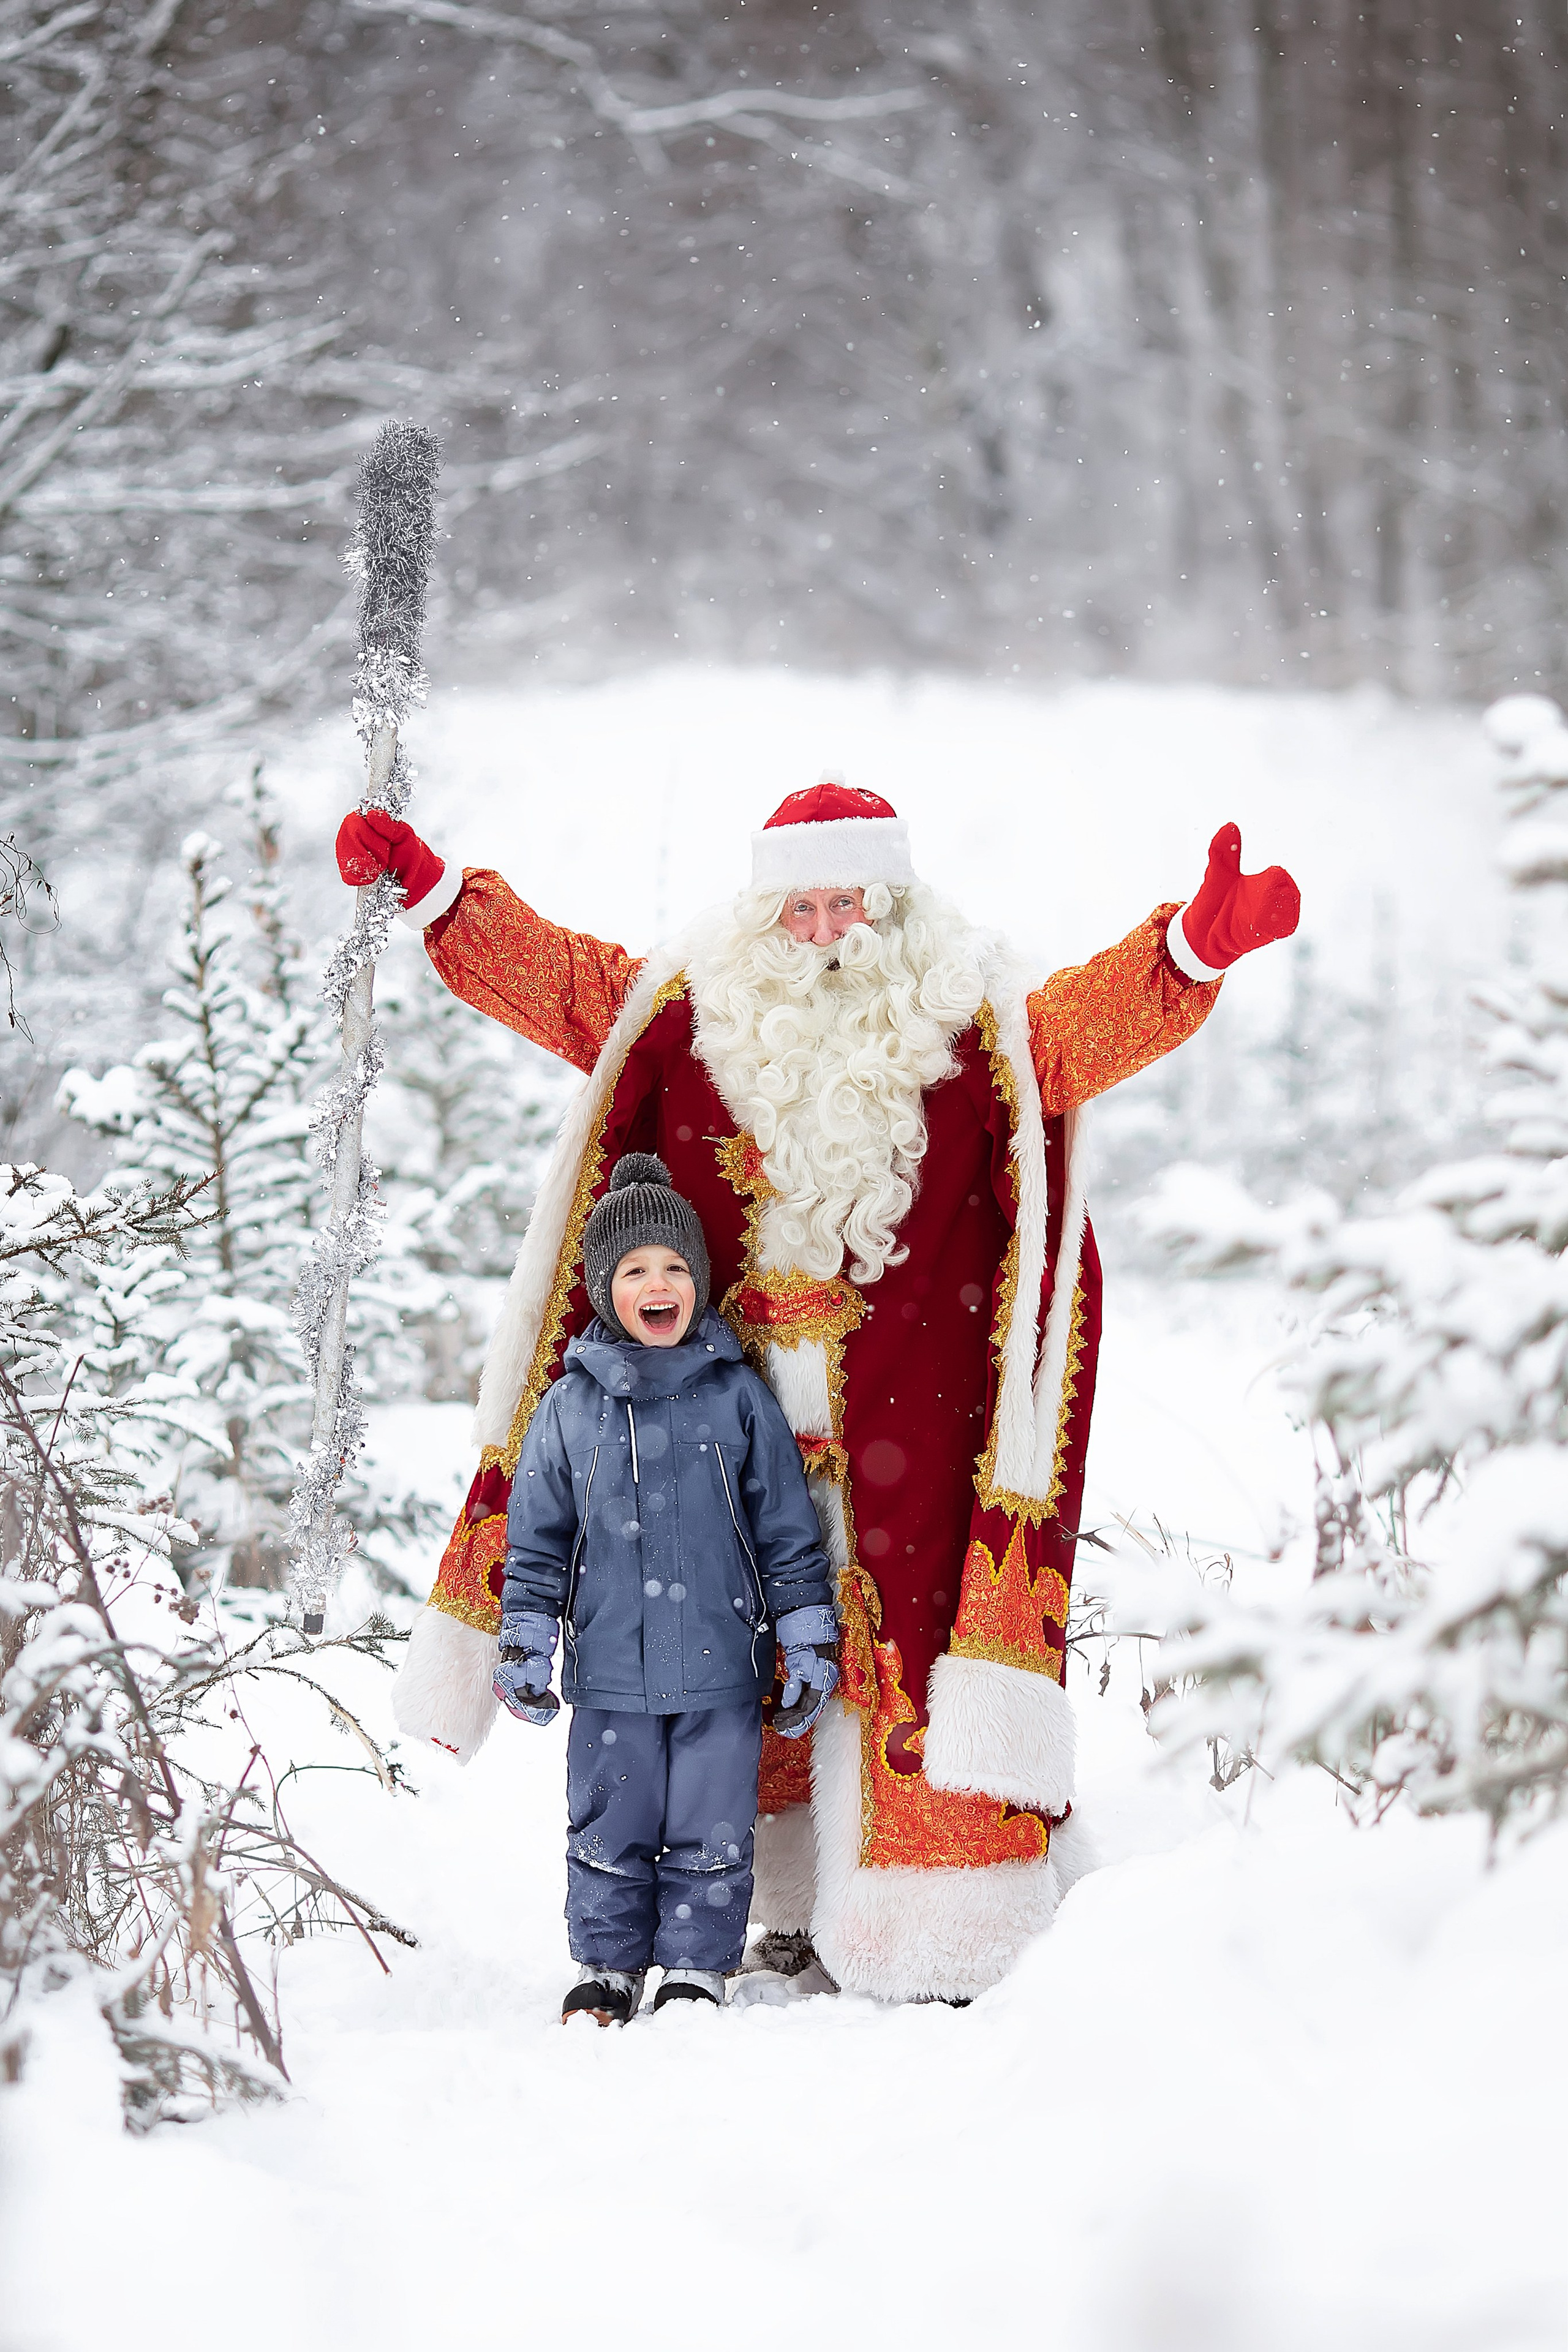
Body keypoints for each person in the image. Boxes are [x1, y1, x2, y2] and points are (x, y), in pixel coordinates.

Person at [368, 775, 1300, 2002]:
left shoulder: (975, 1020)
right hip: (726, 1411)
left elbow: (1082, 1030)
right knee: (735, 1658)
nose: (822, 933)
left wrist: (1187, 946)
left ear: (891, 903)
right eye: (798, 909)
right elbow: (567, 985)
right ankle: (784, 1912)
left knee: (908, 1656)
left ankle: (943, 1934)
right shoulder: (688, 1010)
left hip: (921, 1423)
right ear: (763, 917)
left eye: (845, 905)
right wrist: (441, 897)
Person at [494, 1150, 837, 2025]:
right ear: (606, 1286)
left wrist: (804, 1633)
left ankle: (695, 1967)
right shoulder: (568, 1409)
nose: (659, 1283)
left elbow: (787, 1531)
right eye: (637, 1269)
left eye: (676, 1267)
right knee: (608, 1823)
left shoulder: (738, 1399)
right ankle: (607, 1968)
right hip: (610, 1670)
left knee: (714, 1826)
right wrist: (526, 1637)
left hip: (723, 1667)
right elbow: (536, 1540)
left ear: (701, 1282)